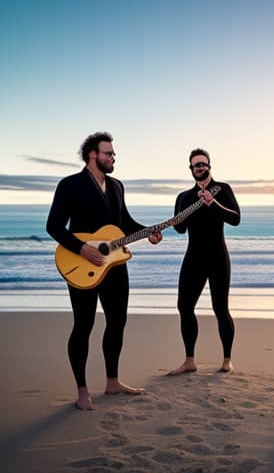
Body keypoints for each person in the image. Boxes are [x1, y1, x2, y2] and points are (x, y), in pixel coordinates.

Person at [46, 132, 162, 410]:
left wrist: (148, 232)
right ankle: (82, 390)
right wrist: (82, 249)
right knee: (83, 325)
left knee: (117, 322)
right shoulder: (70, 185)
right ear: (92, 155)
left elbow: (124, 223)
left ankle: (112, 381)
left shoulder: (117, 185)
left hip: (114, 265)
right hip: (81, 265)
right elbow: (53, 226)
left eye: (113, 153)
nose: (113, 158)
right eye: (108, 153)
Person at [167, 148, 240, 376]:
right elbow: (179, 229)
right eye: (196, 165)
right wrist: (188, 212)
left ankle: (227, 360)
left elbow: (236, 219)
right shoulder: (184, 197)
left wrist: (212, 203)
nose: (200, 168)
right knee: (184, 306)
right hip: (194, 257)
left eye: (203, 164)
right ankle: (190, 360)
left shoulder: (223, 189)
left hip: (218, 256)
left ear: (210, 166)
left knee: (220, 308)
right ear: (191, 169)